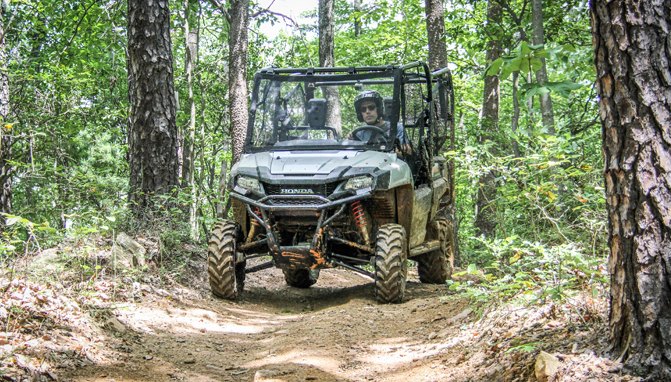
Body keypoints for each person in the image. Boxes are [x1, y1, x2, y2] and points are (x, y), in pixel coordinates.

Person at [352, 90, 411, 155]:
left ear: (379, 109)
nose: (367, 112)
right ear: (360, 114)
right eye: (363, 109)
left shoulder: (396, 128)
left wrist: (399, 150)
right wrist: (350, 139)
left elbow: (407, 152)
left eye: (371, 107)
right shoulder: (359, 133)